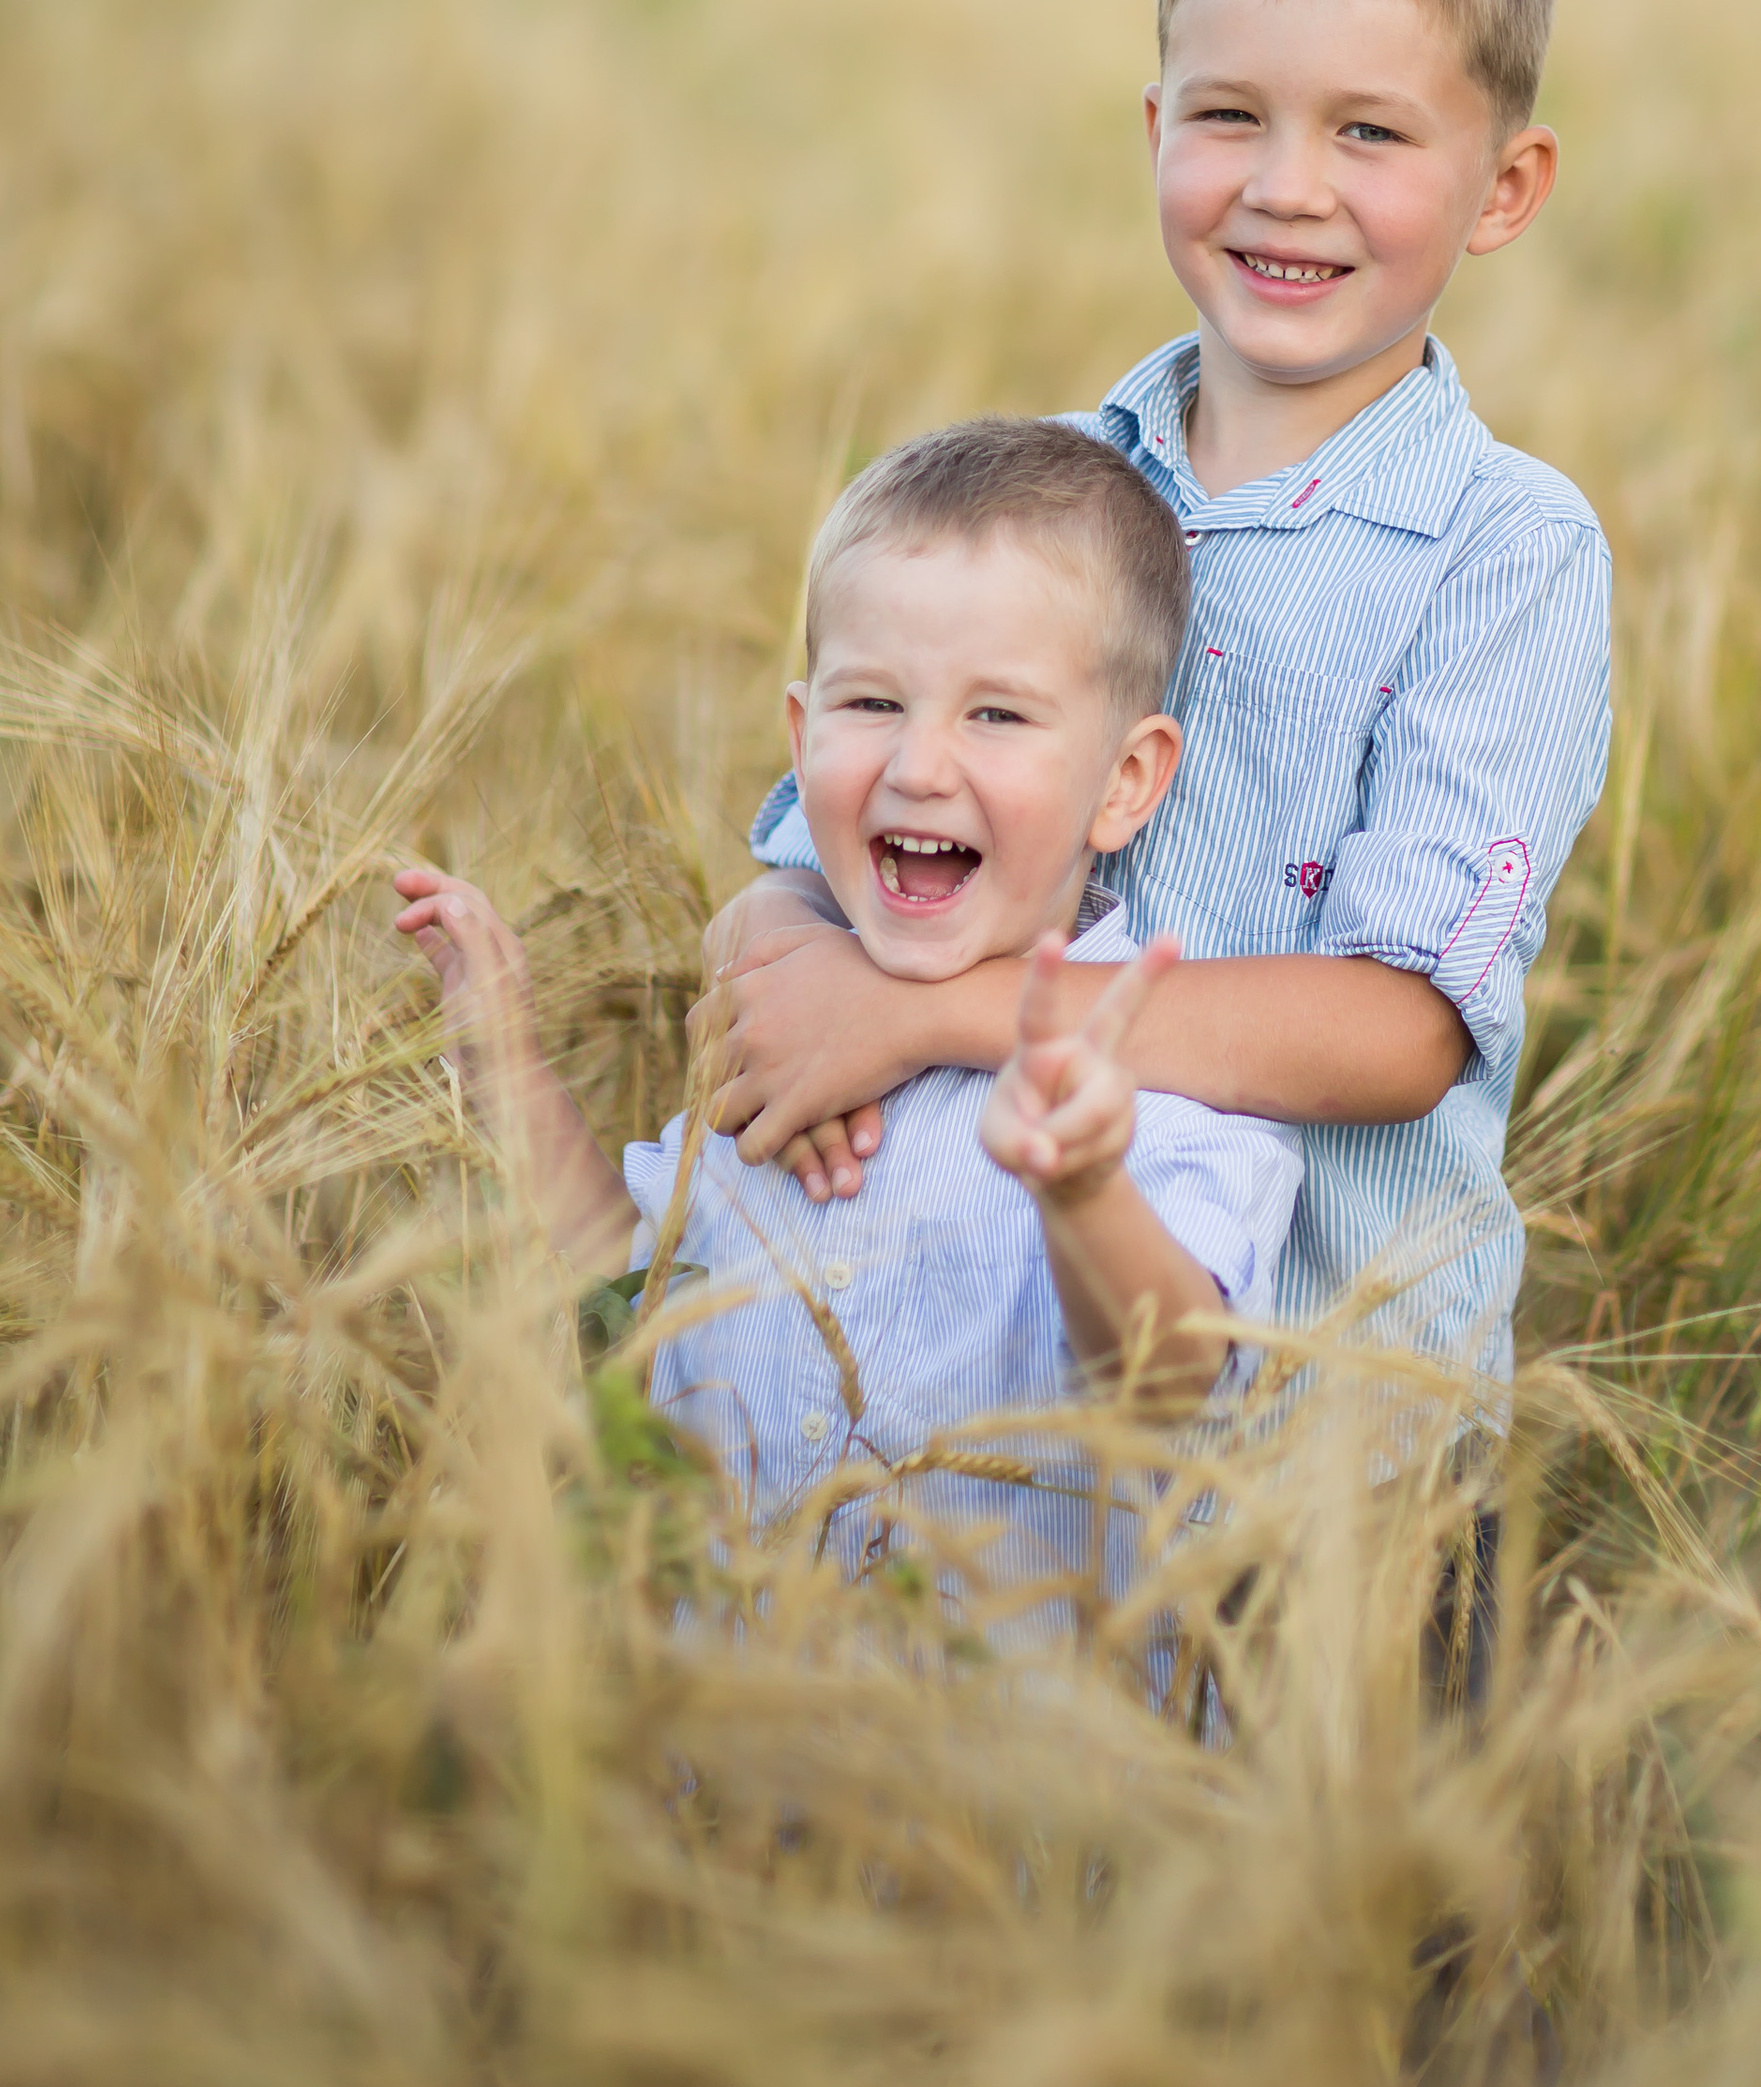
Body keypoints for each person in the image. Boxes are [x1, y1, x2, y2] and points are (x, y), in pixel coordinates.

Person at [704, 0, 1614, 1403]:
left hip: (1327, 1460)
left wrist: (933, 1021)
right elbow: (808, 864)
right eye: (1228, 115)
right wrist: (783, 954)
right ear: (1153, 128)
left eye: (1371, 137)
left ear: (1504, 187)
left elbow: (1399, 1035)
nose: (1285, 188)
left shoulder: (1504, 548)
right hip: (1000, 1424)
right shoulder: (1044, 493)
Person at [395, 416, 1300, 1593]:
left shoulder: (1162, 1078)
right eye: (871, 704)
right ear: (800, 730)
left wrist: (1084, 1192)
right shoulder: (778, 1036)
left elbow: (1170, 1386)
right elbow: (637, 1309)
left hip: (1016, 1759)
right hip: (719, 1745)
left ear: (1125, 782)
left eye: (997, 715)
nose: (919, 766)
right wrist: (504, 1071)